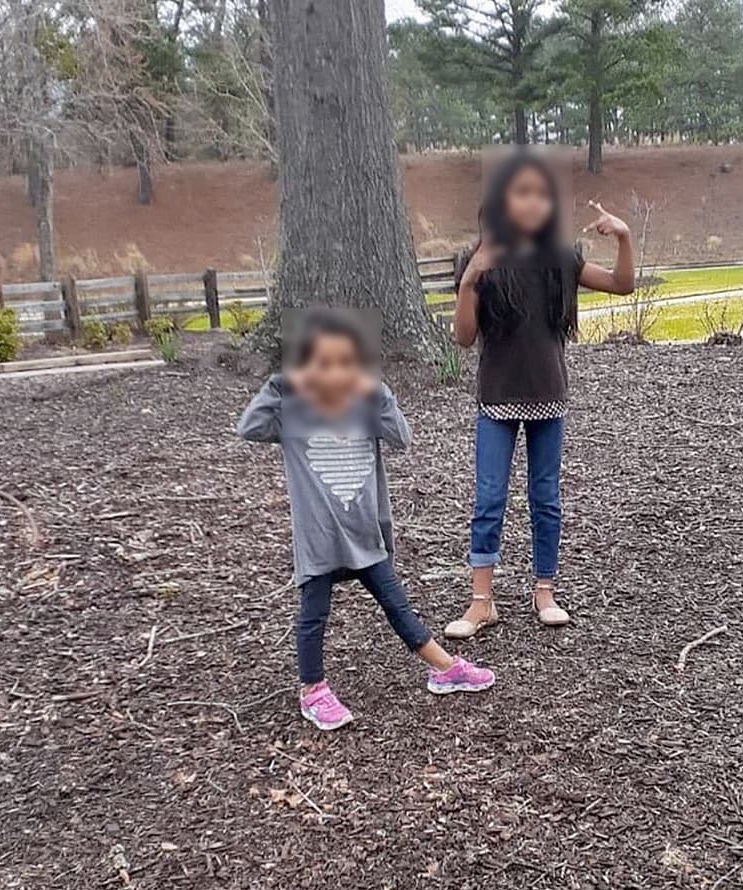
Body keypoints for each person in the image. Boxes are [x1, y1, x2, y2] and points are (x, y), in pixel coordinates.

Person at [237, 308, 495, 731]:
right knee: (313, 615)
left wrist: (378, 392)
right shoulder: (293, 412)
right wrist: (280, 384)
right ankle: (312, 691)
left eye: (345, 363)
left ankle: (444, 669)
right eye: (321, 364)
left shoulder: (364, 407)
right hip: (319, 539)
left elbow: (402, 437)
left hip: (364, 535)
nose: (334, 373)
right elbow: (250, 427)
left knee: (397, 605)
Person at [443, 150, 635, 640]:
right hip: (496, 401)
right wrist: (470, 279)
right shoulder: (480, 259)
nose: (532, 202)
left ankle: (544, 591)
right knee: (489, 498)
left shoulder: (561, 260)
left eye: (540, 194)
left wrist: (625, 237)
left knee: (545, 498)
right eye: (521, 192)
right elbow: (464, 338)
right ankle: (481, 600)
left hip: (548, 398)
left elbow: (621, 285)